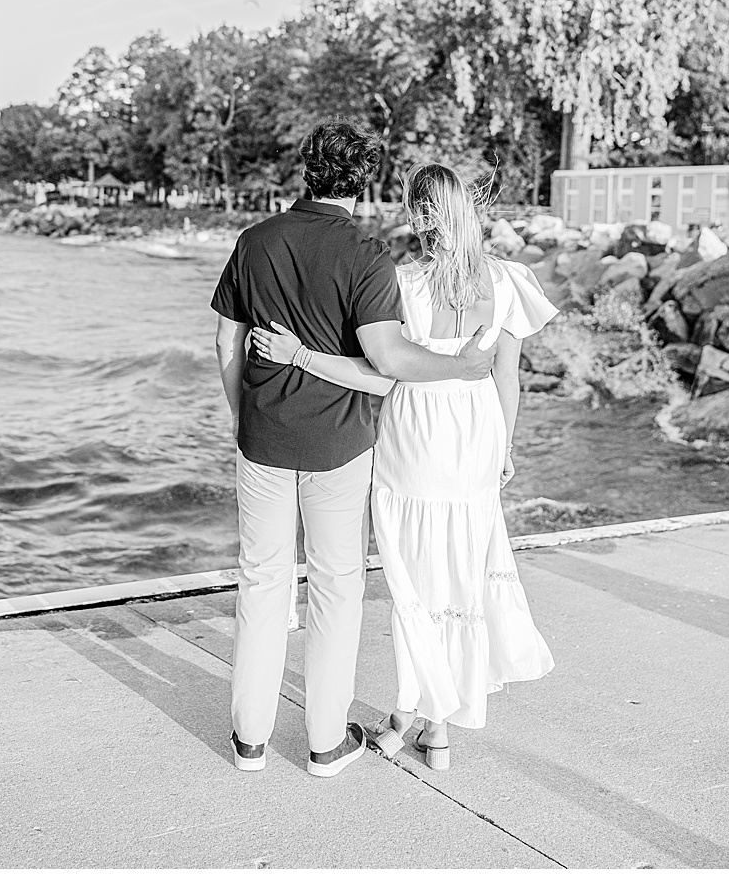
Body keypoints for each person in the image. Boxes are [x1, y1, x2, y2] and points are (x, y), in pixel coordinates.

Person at [210, 120, 496, 779]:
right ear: (362, 181)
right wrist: (462, 367)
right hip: (340, 447)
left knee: (261, 580)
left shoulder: (254, 242)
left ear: (306, 171)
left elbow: (225, 343)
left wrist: (240, 413)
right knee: (336, 590)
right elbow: (389, 357)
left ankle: (249, 741)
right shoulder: (366, 254)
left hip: (262, 441)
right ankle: (324, 744)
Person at [251, 162, 556, 770]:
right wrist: (506, 447)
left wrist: (298, 355)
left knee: (410, 582)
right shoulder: (506, 283)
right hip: (474, 436)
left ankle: (402, 721)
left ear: (419, 215)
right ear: (468, 210)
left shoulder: (402, 282)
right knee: (457, 577)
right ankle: (437, 731)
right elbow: (507, 379)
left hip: (412, 434)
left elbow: (384, 373)